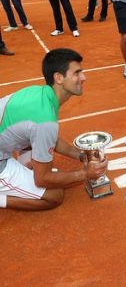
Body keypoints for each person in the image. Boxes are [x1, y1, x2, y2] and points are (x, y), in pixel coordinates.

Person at [0, 48, 108, 211]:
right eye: (77, 73)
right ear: (59, 78)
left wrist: (81, 155)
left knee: (32, 140)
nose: (83, 77)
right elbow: (42, 179)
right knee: (54, 194)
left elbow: (49, 139)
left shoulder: (40, 94)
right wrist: (84, 174)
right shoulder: (45, 120)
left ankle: (22, 169)